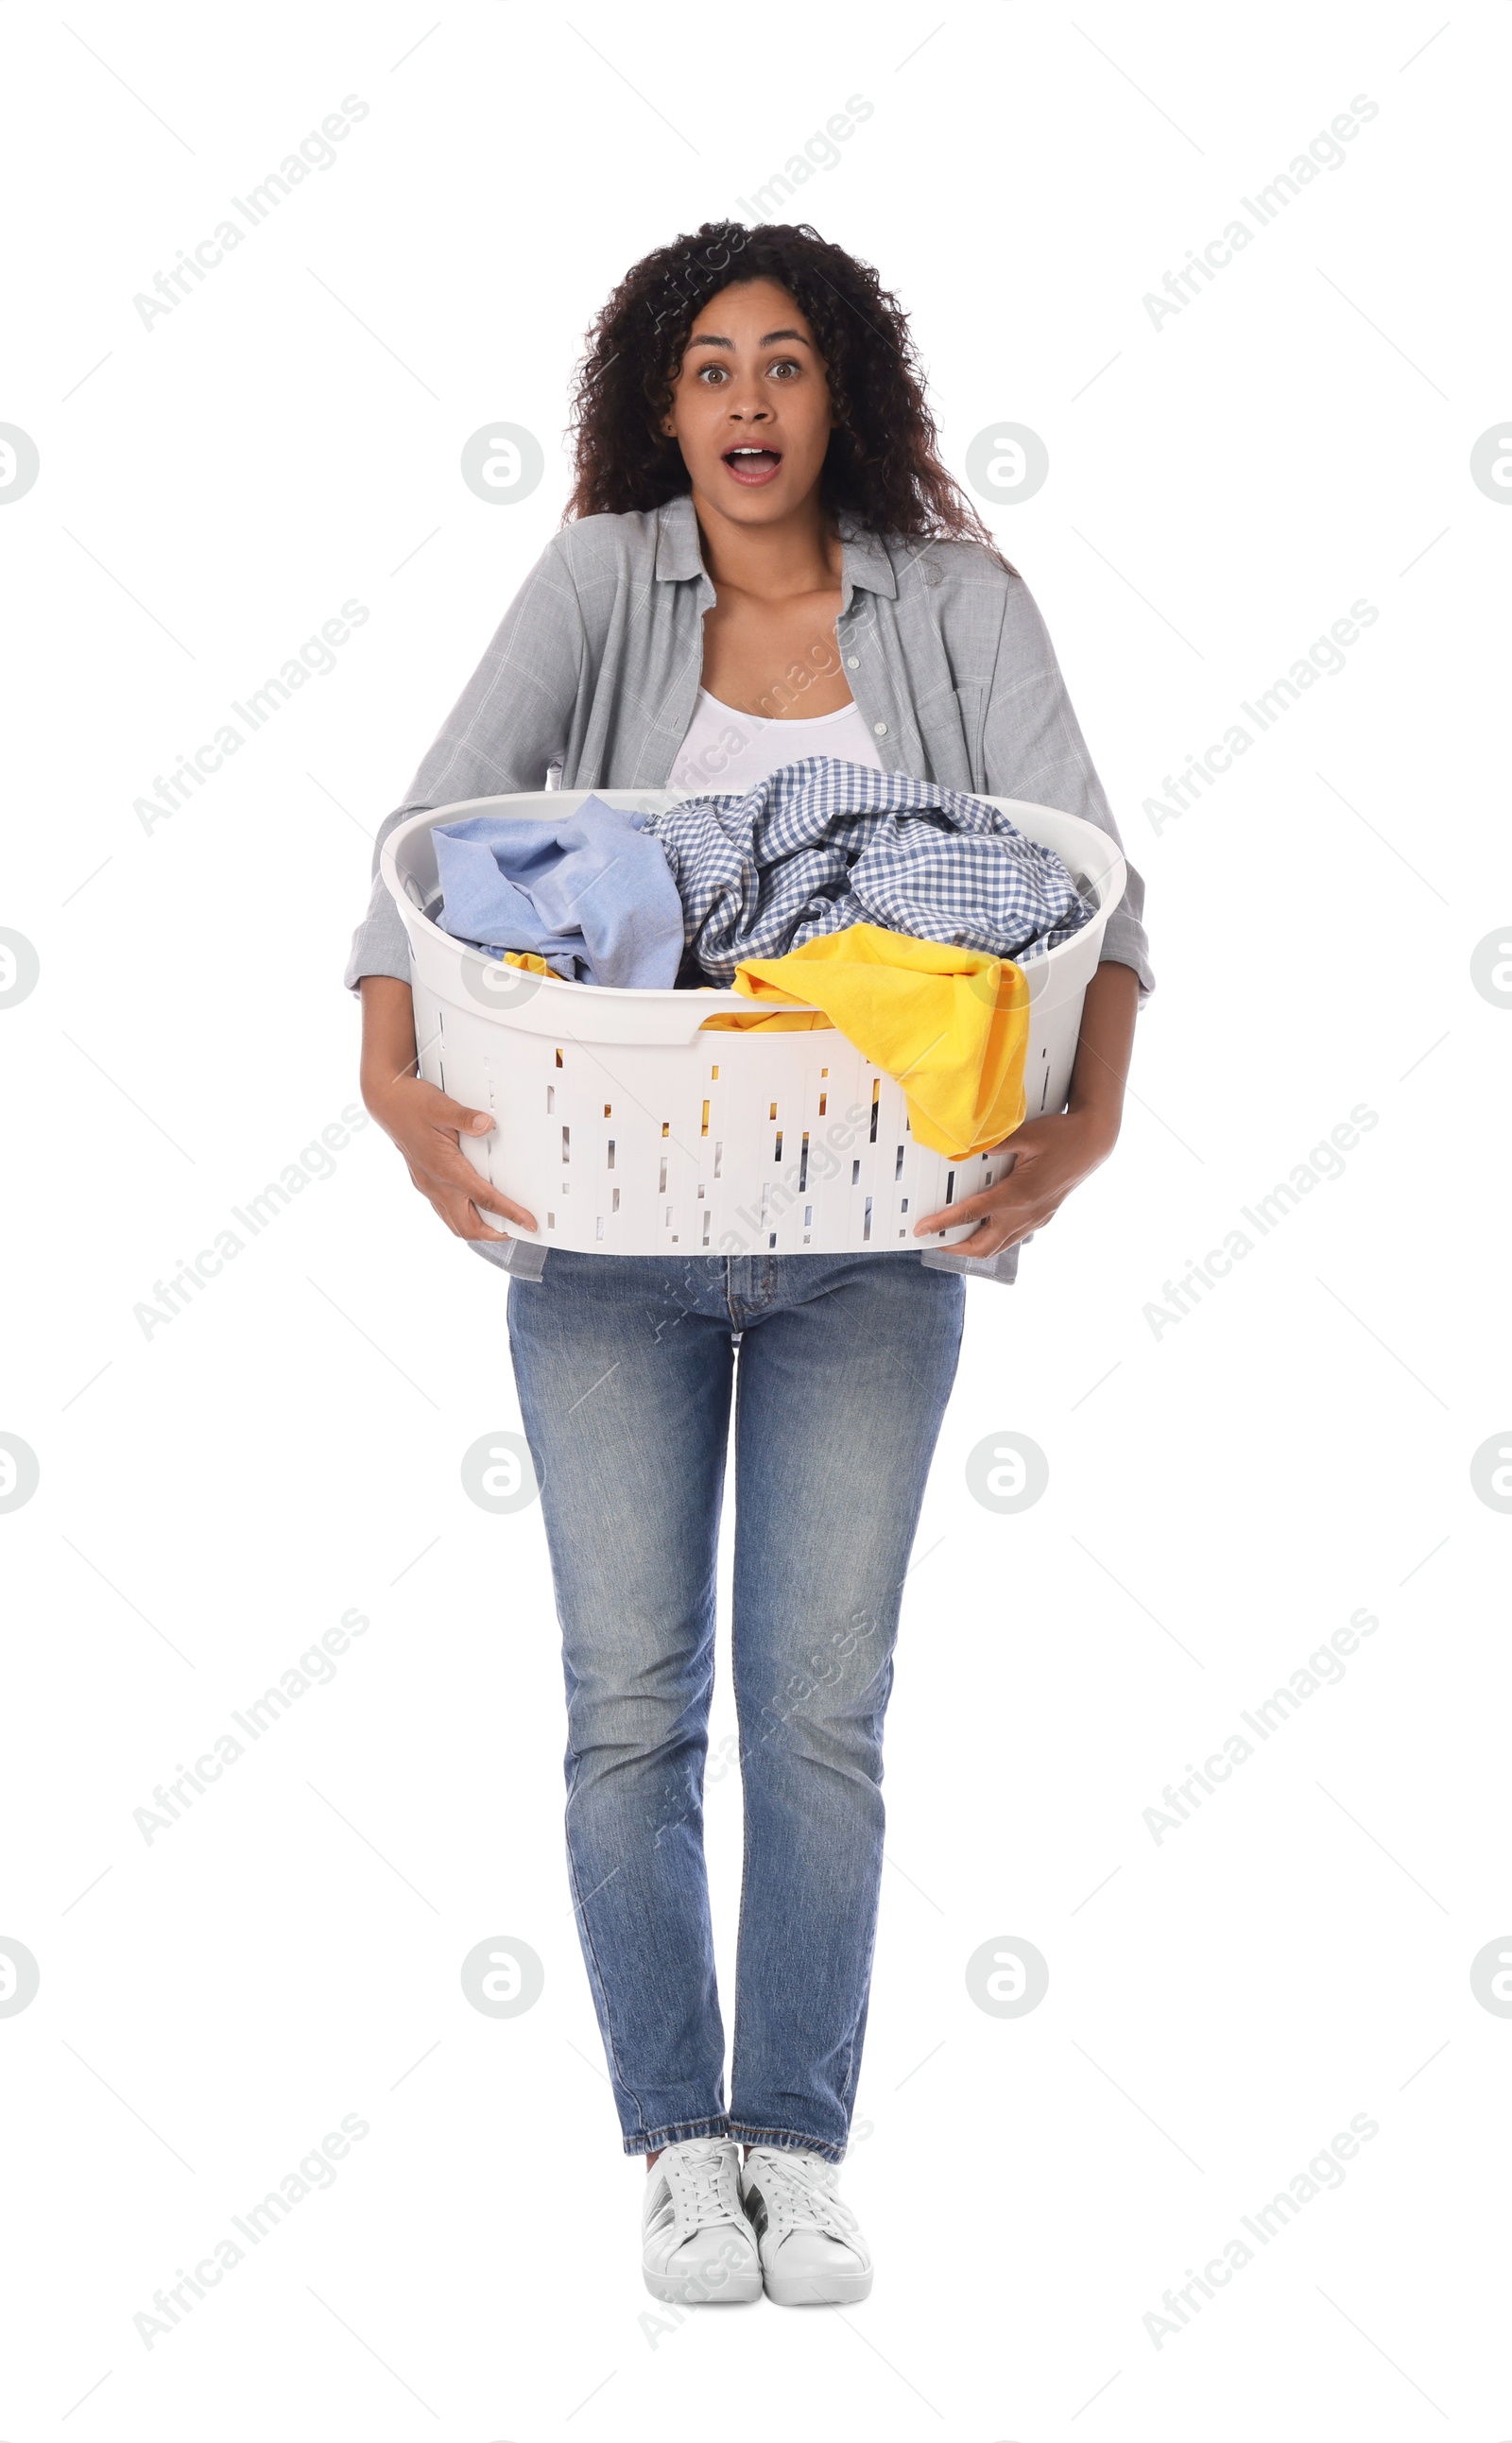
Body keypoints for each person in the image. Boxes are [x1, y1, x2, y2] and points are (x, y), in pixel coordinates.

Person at [347, 220, 1154, 2307]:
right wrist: (391, 1086)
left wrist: (1083, 1127)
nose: (744, 405)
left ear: (841, 397)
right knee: (630, 1711)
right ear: (660, 403)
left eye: (782, 365)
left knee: (815, 1714)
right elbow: (430, 840)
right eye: (707, 368)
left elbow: (1092, 887)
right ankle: (673, 2148)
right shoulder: (606, 577)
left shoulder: (959, 604)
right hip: (605, 1232)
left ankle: (793, 2142)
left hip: (870, 1236)